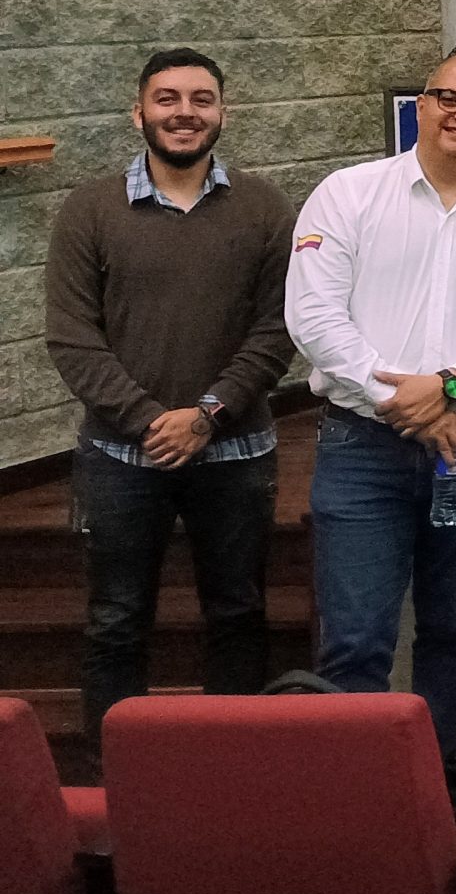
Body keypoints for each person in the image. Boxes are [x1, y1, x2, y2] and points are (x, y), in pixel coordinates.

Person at [285, 52, 456, 764]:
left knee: (454, 626)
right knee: (356, 636)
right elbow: (313, 318)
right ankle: (363, 797)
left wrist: (446, 386)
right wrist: (398, 400)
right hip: (361, 448)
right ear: (422, 104)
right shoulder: (348, 195)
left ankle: (432, 783)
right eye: (451, 97)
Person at [45, 49, 297, 739]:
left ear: (222, 113)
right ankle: (115, 784)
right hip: (121, 460)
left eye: (201, 99)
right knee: (117, 621)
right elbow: (72, 338)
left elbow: (278, 330)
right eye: (167, 98)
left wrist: (208, 416)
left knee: (239, 613)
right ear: (139, 113)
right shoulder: (90, 210)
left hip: (237, 451)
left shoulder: (265, 207)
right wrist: (156, 421)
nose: (184, 112)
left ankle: (232, 776)